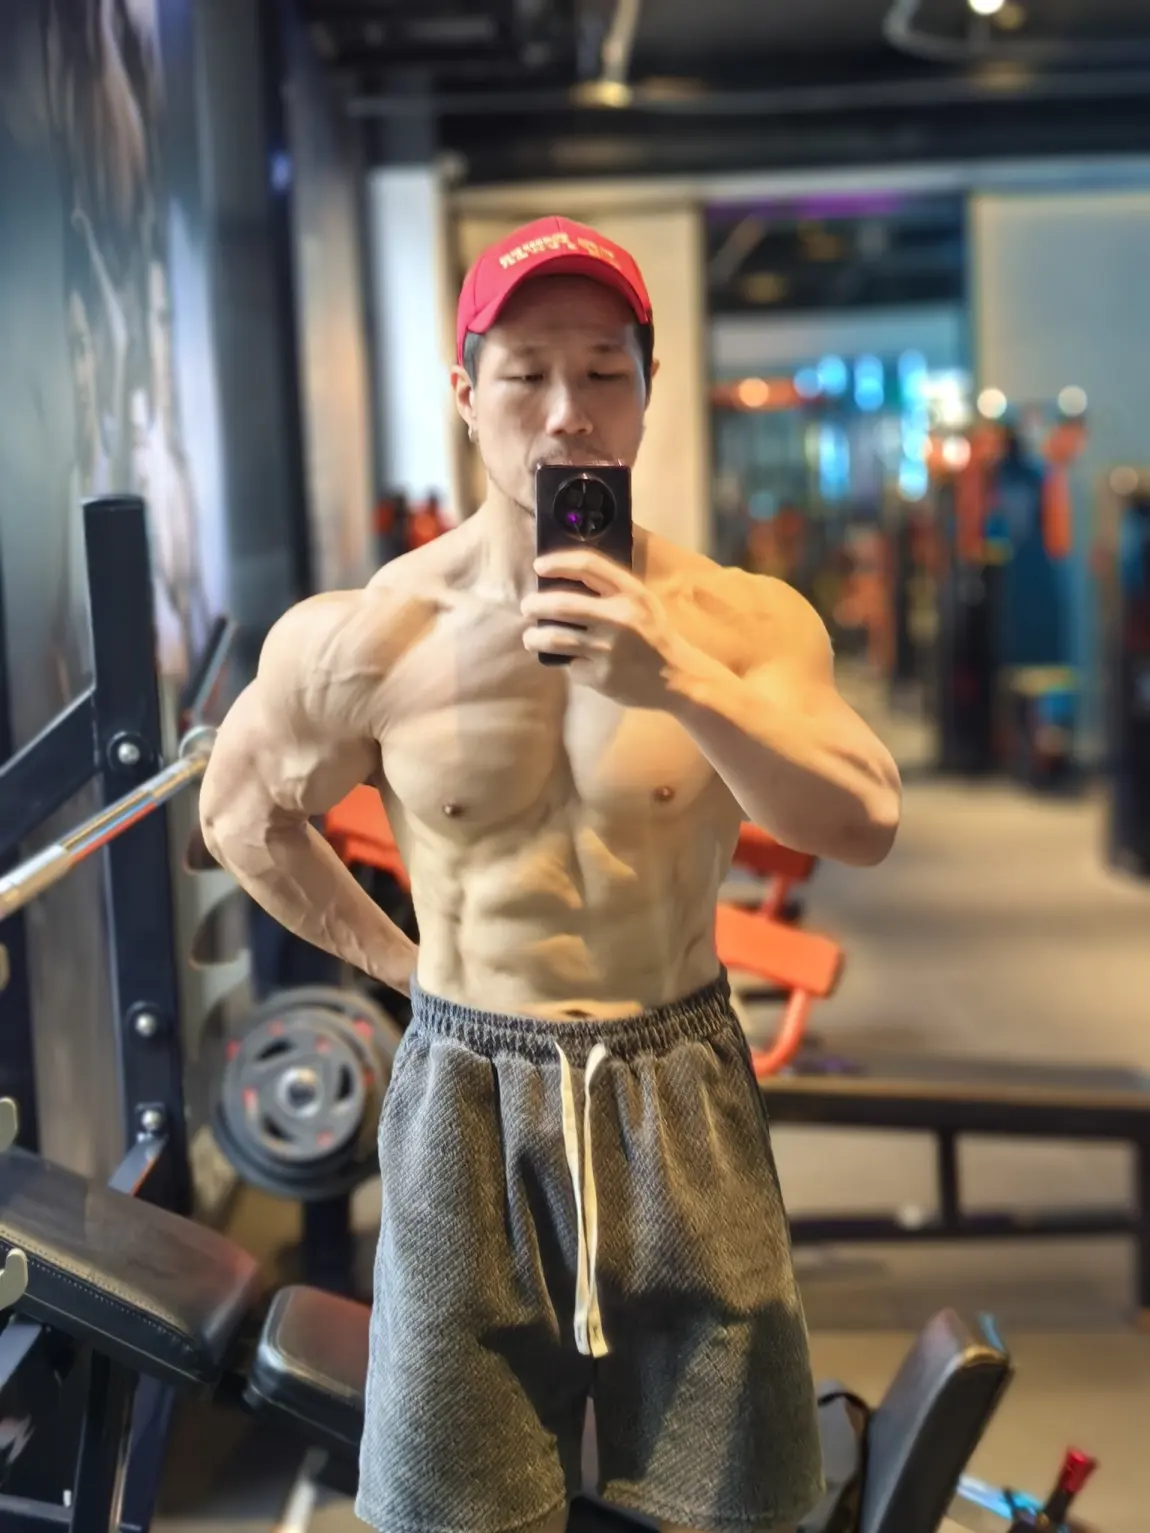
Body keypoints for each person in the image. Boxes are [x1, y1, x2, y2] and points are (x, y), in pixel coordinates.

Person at [201, 215, 902, 1533]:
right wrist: (405, 969)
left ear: (647, 392)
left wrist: (674, 682)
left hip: (679, 1078)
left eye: (602, 372)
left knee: (732, 1503)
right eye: (526, 374)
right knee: (456, 1503)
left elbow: (862, 819)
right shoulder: (370, 634)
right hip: (464, 1091)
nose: (567, 411)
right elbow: (243, 816)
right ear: (467, 396)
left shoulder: (736, 621)